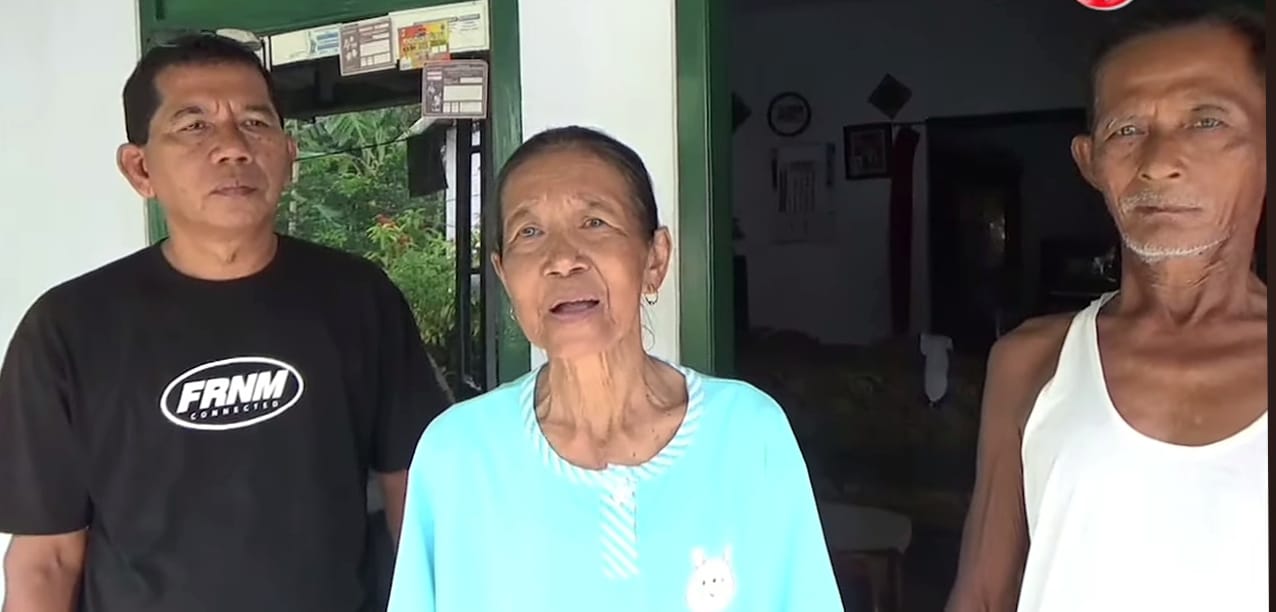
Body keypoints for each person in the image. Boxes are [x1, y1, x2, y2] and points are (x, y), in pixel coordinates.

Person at [0, 34, 447, 612]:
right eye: (194, 126)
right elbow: (47, 559)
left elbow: (413, 496)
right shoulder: (67, 329)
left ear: (288, 155)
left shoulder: (359, 299)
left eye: (255, 124)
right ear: (140, 168)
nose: (233, 147)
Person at [385, 126, 844, 612]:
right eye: (529, 232)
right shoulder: (457, 455)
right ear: (503, 275)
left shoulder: (748, 433)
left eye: (595, 222)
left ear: (655, 259)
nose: (562, 260)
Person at [947, 9, 1266, 612]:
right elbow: (984, 595)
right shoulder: (1031, 364)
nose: (1158, 161)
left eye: (1206, 121)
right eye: (1127, 129)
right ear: (1089, 160)